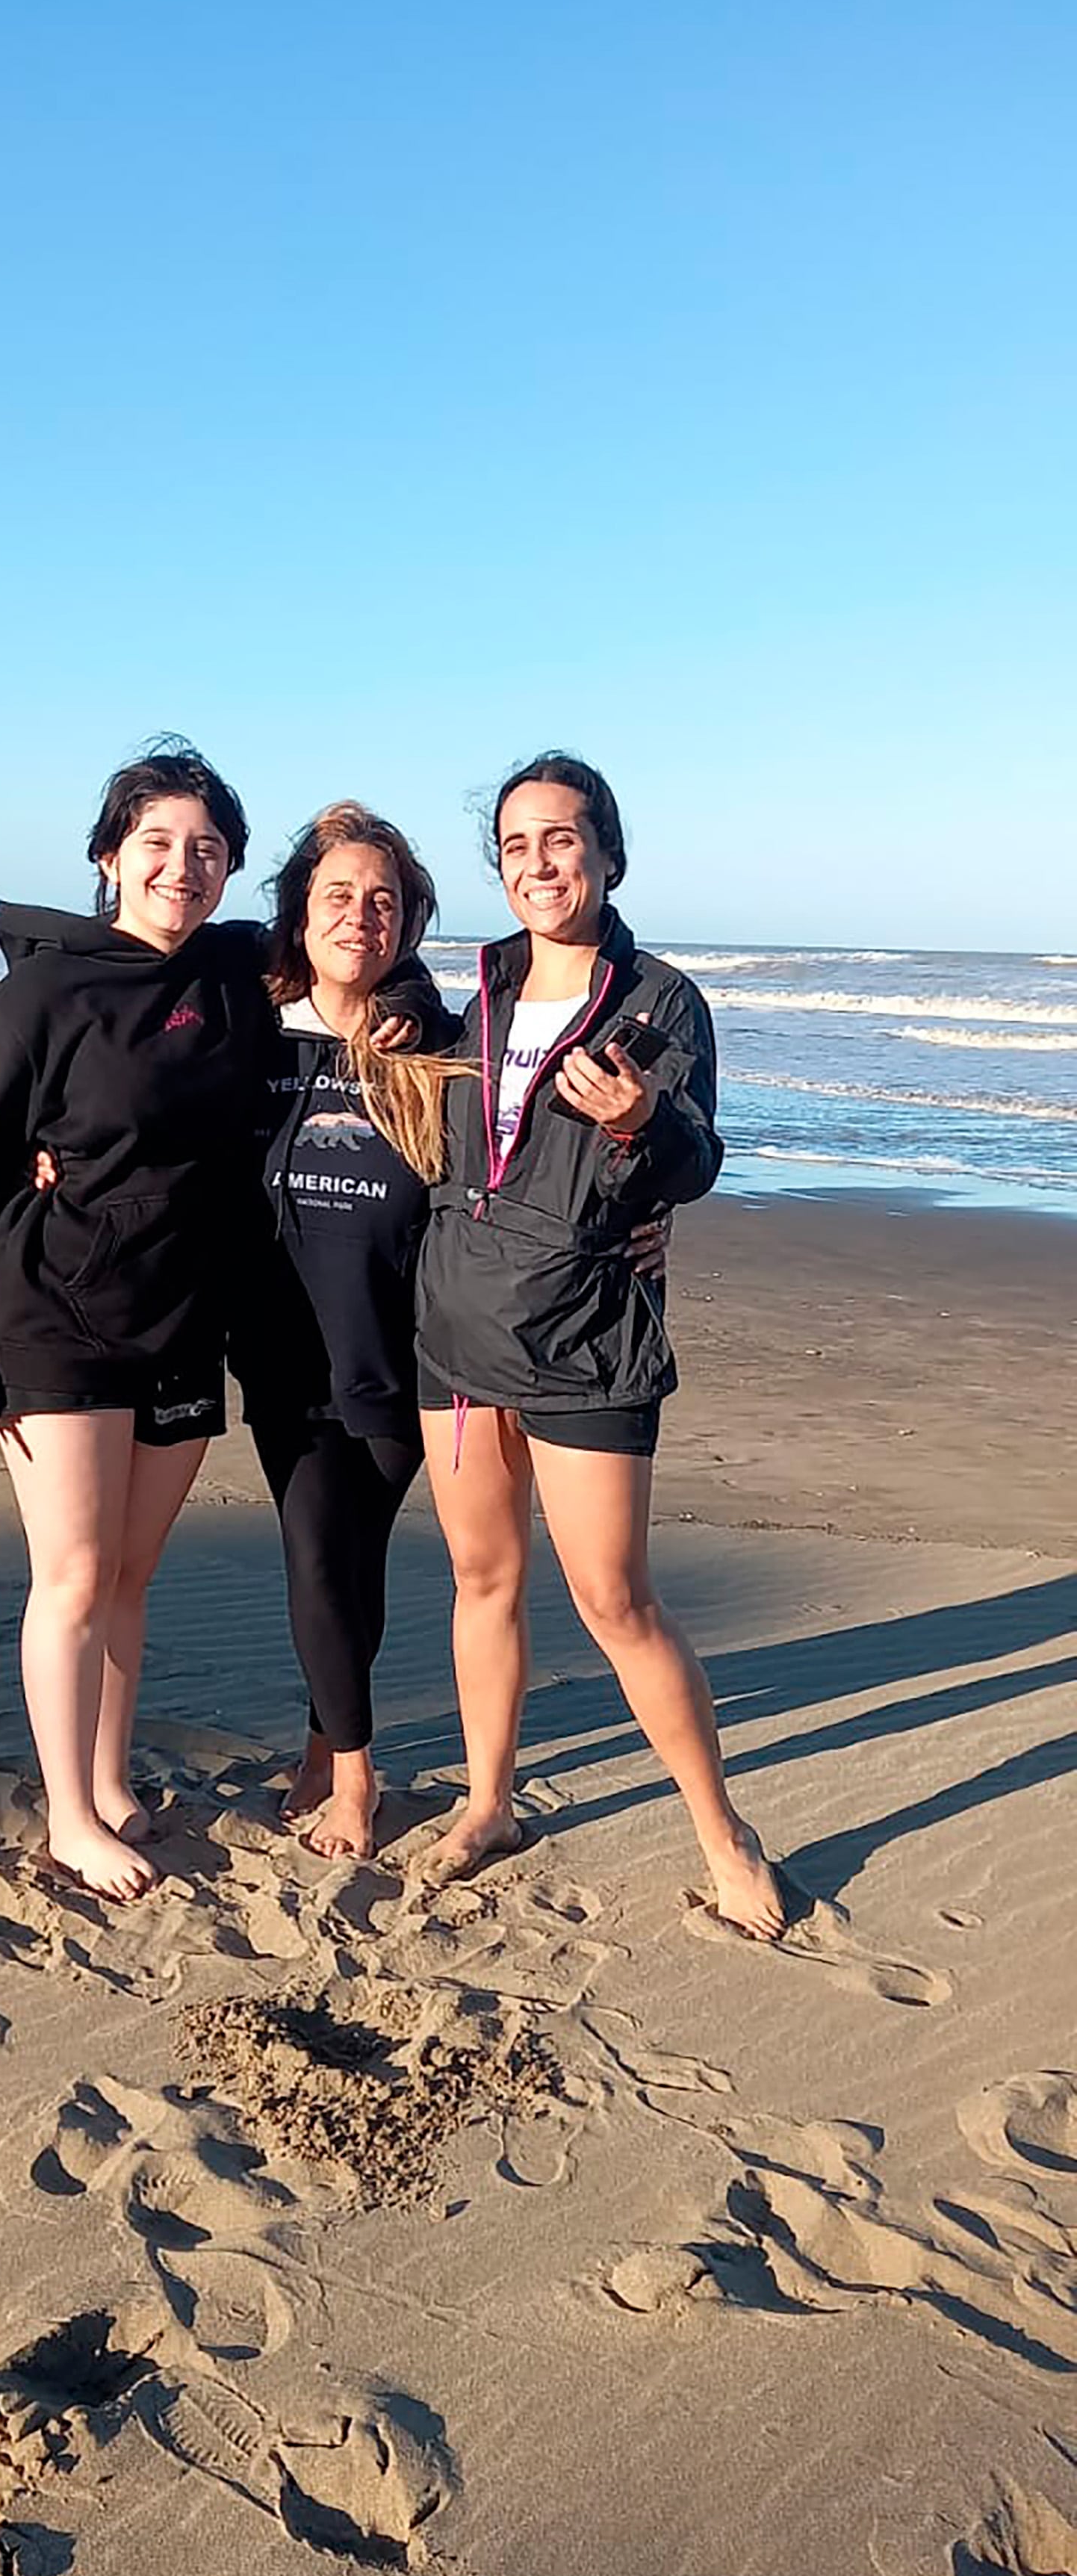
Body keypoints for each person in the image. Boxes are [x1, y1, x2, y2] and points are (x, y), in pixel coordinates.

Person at [413, 751, 784, 1936]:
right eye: (515, 846)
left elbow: (696, 1162)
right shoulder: (479, 992)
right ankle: (489, 1804)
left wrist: (646, 1123)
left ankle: (724, 1836)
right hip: (456, 1333)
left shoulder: (661, 1001)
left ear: (608, 857)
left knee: (614, 1600)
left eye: (561, 840)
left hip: (586, 1335)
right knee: (482, 1579)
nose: (538, 865)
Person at [0, 739, 270, 1903]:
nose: (181, 866)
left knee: (130, 1576)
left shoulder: (237, 977)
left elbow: (363, 971)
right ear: (110, 857)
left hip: (182, 1318)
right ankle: (67, 1818)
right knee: (73, 1573)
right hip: (58, 1314)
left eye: (207, 849)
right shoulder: (40, 997)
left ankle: (107, 1783)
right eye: (157, 843)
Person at [235, 803, 465, 1860]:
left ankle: (327, 1745)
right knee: (318, 1555)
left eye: (383, 901)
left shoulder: (436, 1045)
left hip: (408, 1357)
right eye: (338, 895)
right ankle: (356, 1776)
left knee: (356, 1558)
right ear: (299, 909)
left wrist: (642, 1212)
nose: (359, 916)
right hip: (284, 1351)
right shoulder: (246, 1028)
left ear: (406, 922)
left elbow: (520, 1163)